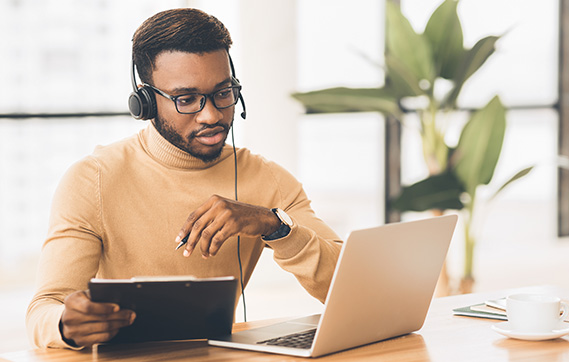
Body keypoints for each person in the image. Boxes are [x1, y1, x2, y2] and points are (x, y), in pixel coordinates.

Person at [26, 8, 342, 349]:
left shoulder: (268, 179)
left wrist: (274, 225)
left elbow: (349, 287)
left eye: (223, 93)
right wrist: (66, 324)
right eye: (186, 99)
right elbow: (44, 309)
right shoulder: (93, 180)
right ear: (144, 101)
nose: (211, 115)